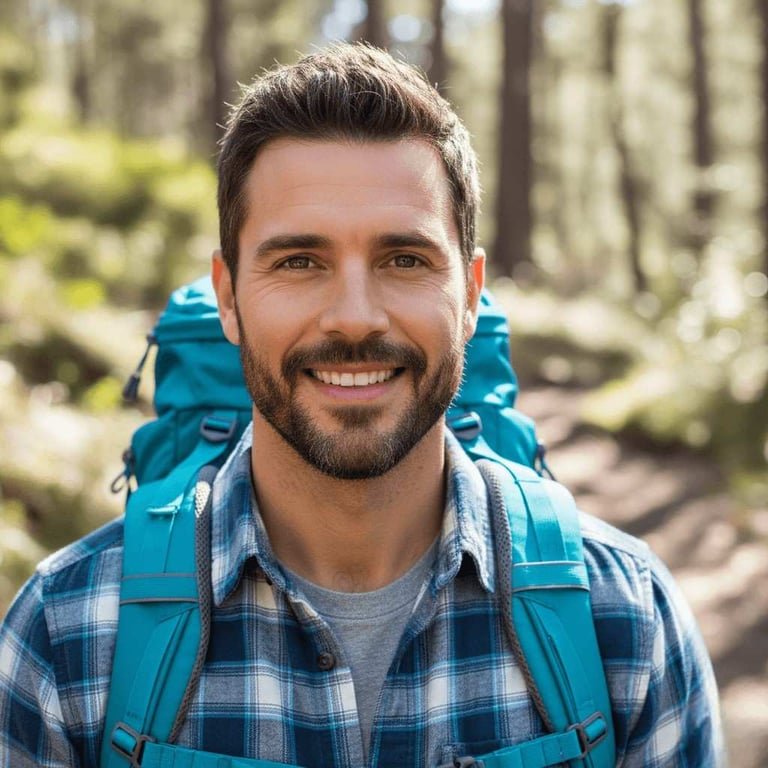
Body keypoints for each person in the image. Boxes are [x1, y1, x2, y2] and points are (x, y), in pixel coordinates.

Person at [0, 43, 724, 768]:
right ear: (227, 296)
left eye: (404, 260)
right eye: (299, 262)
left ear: (471, 295)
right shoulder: (64, 637)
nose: (353, 318)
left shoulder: (627, 623)